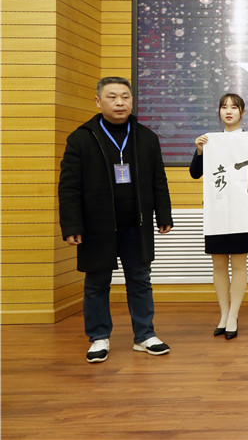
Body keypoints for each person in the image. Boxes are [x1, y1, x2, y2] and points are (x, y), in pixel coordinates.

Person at [59, 76, 173, 363]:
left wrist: (164, 213)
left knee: (140, 280)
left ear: (132, 100)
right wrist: (72, 225)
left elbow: (159, 180)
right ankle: (99, 337)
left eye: (125, 96)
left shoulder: (146, 137)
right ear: (98, 101)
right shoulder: (81, 138)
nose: (120, 102)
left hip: (137, 224)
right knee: (97, 283)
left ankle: (145, 335)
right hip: (96, 227)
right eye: (112, 97)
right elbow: (69, 186)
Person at [190, 93, 248, 340]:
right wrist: (199, 151)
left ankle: (234, 315)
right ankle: (224, 314)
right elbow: (195, 173)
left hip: (242, 210)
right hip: (216, 211)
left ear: (243, 113)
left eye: (234, 107)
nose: (229, 111)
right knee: (218, 264)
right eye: (224, 107)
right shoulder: (210, 141)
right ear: (219, 112)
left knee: (239, 264)